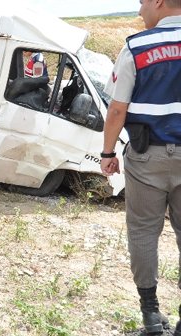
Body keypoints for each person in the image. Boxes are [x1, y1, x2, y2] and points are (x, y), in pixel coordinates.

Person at [101, 0, 181, 335]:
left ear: (160, 2)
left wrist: (107, 152)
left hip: (148, 158)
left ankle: (151, 318)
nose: (139, 6)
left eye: (144, 1)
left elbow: (117, 109)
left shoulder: (136, 47)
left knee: (144, 233)